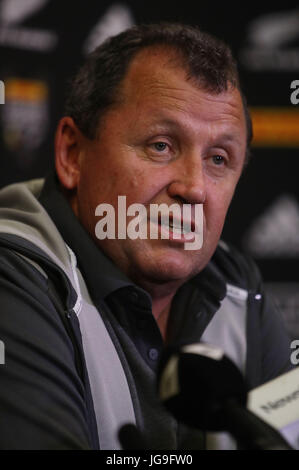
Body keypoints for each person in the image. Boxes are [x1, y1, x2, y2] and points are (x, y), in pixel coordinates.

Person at [0, 23, 292, 450]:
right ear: (72, 154)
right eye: (161, 146)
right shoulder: (12, 277)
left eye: (218, 158)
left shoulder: (236, 285)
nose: (193, 187)